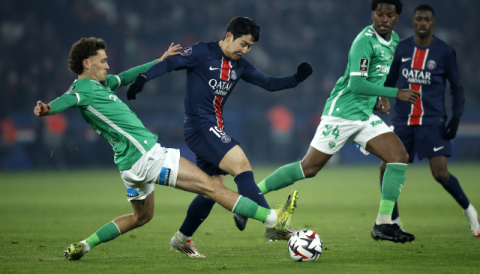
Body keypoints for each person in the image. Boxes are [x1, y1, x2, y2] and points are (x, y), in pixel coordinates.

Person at [33, 37, 299, 261]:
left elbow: (125, 77)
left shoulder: (101, 84)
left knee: (141, 217)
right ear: (86, 63)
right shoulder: (83, 89)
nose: (107, 64)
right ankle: (272, 219)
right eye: (102, 61)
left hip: (128, 166)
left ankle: (85, 244)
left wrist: (159, 61)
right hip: (147, 156)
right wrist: (48, 108)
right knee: (214, 187)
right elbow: (68, 100)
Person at [127, 16, 312, 257]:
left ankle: (182, 239)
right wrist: (143, 78)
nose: (245, 50)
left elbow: (268, 83)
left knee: (212, 188)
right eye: (243, 44)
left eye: (250, 47)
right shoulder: (203, 51)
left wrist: (295, 79)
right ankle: (274, 223)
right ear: (228, 36)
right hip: (200, 127)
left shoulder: (241, 65)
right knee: (242, 165)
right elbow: (170, 64)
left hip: (214, 127)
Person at [255, 0, 420, 243]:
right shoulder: (363, 42)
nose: (384, 19)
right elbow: (356, 84)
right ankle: (251, 195)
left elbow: (377, 76)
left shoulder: (394, 39)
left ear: (397, 17)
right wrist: (395, 93)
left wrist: (380, 98)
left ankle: (384, 224)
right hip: (341, 113)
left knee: (398, 156)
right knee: (308, 168)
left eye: (390, 15)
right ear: (372, 14)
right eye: (380, 14)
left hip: (364, 115)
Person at [378, 4, 479, 237]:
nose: (422, 23)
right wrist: (382, 98)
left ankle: (469, 210)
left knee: (440, 173)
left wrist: (456, 118)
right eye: (419, 19)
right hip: (403, 120)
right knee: (386, 169)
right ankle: (393, 222)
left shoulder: (444, 52)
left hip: (432, 119)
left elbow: (457, 88)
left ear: (433, 23)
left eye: (427, 20)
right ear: (413, 22)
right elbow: (390, 79)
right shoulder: (402, 48)